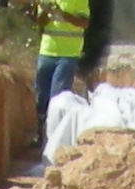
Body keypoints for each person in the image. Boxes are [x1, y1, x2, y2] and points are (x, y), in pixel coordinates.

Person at [32, 0, 102, 147]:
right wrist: (45, 12)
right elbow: (40, 23)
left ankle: (56, 138)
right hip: (47, 51)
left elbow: (84, 22)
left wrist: (62, 14)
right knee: (41, 95)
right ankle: (41, 135)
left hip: (68, 54)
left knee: (57, 96)